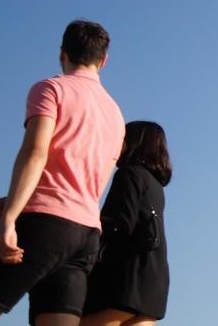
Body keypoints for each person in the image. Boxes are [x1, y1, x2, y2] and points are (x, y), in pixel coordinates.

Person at [0, 20, 126, 326]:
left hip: (41, 225)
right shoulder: (116, 115)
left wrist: (10, 218)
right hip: (84, 234)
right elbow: (91, 183)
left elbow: (35, 152)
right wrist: (19, 196)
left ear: (62, 53)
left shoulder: (51, 88)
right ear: (104, 60)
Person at [81, 121, 172, 326]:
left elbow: (121, 223)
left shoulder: (129, 173)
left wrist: (84, 218)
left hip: (126, 279)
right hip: (153, 282)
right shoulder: (155, 184)